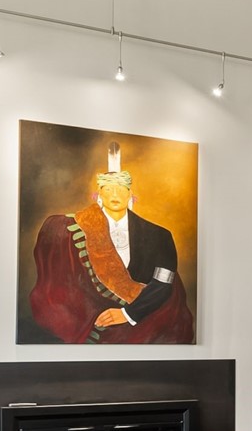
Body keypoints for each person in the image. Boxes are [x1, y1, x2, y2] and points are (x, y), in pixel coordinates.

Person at [27, 141, 193, 343]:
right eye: (108, 189)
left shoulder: (160, 235)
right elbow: (62, 288)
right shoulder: (70, 229)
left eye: (121, 190)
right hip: (90, 329)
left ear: (131, 196)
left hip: (146, 326)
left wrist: (127, 313)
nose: (115, 195)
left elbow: (163, 285)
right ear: (97, 196)